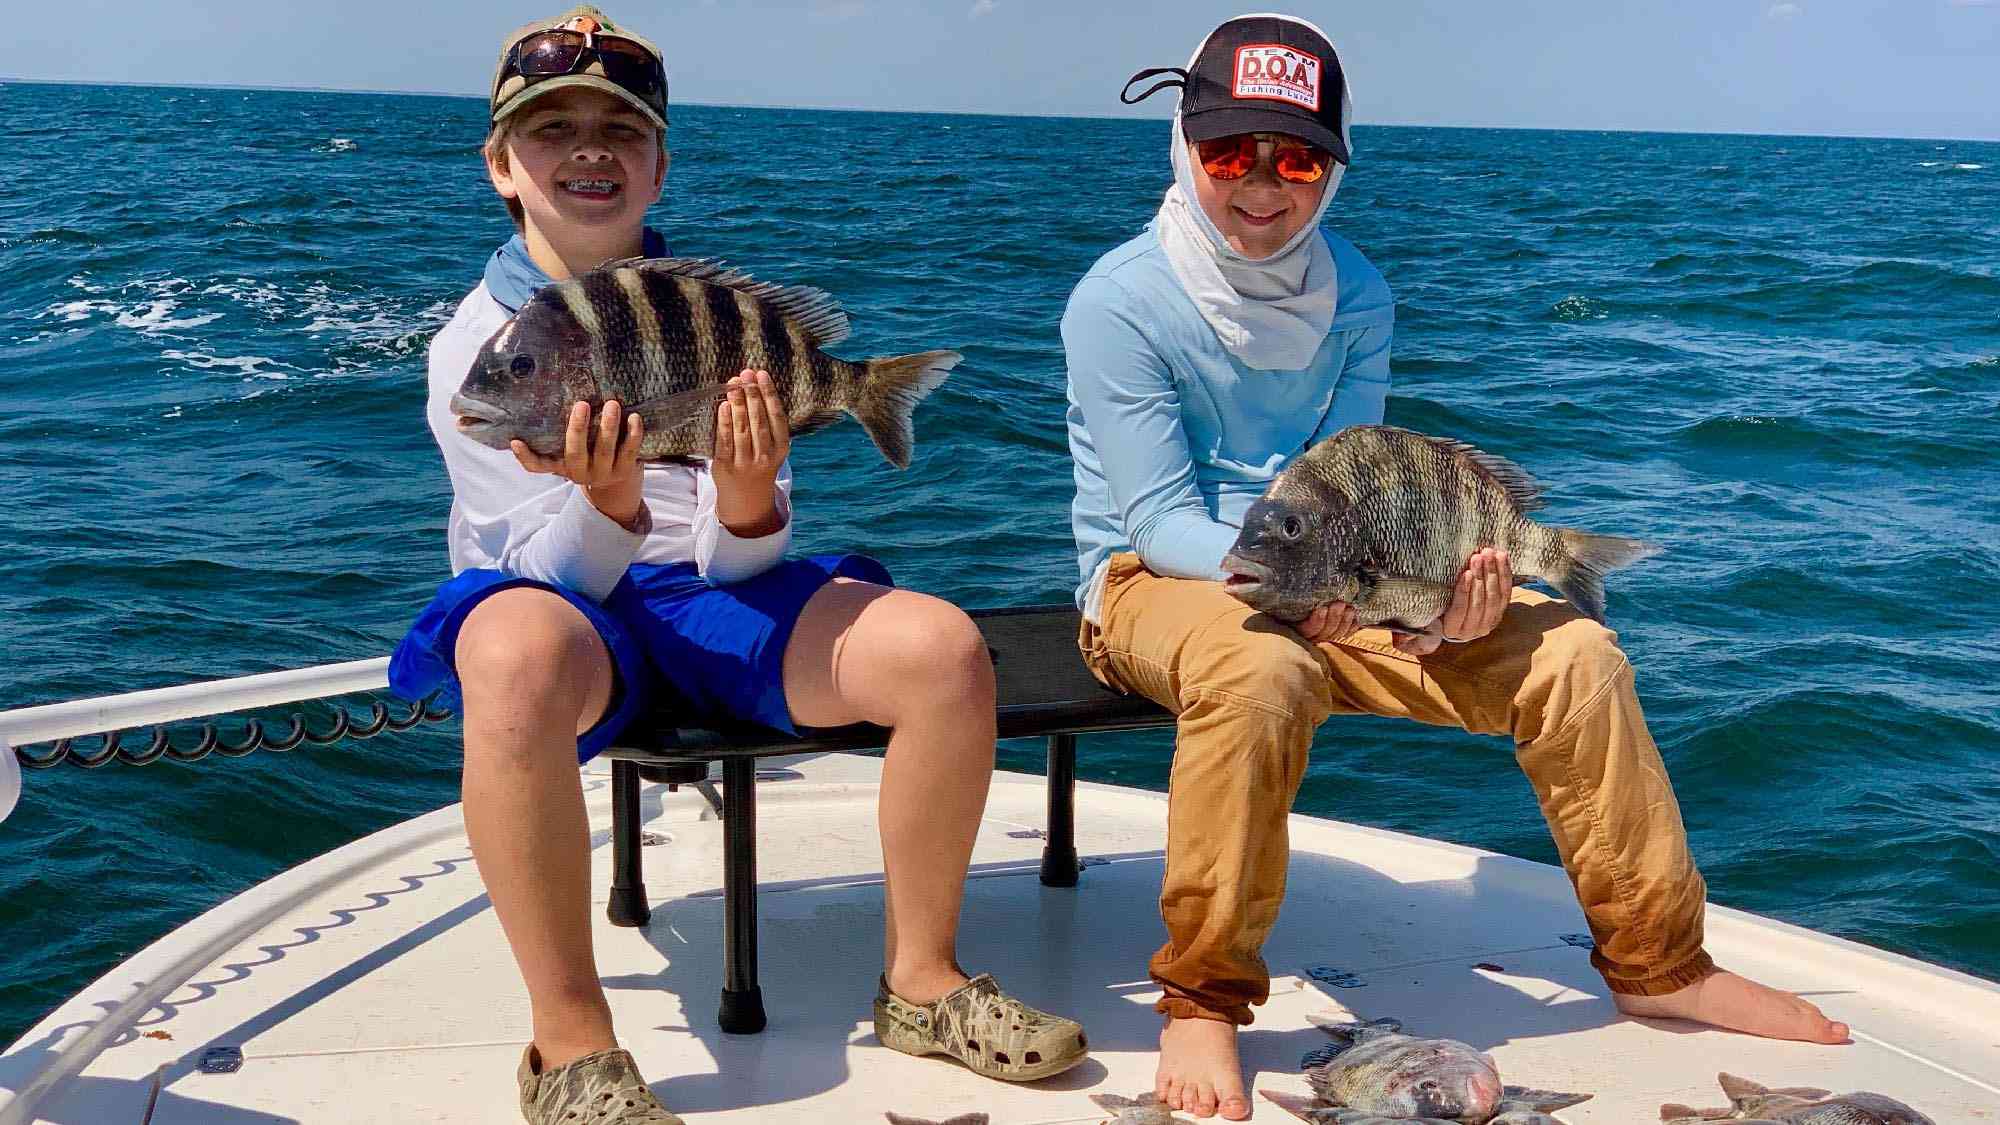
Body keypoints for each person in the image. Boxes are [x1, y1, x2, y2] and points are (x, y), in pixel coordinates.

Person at [1063, 14, 1847, 1121]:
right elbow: (1152, 517)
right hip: (1156, 585)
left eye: (1293, 159)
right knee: (1263, 676)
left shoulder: (1359, 295)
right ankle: (1202, 995)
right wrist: (1304, 587)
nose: (1259, 185)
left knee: (1573, 654)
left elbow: (1357, 481)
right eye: (1227, 152)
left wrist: (1444, 605)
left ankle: (1660, 965)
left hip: (1342, 576)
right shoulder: (1118, 300)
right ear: (1182, 146)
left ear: (1329, 170)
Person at [388, 8, 1086, 1122]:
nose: (587, 151)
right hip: (567, 610)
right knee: (511, 651)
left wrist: (750, 496)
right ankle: (571, 1049)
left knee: (940, 648)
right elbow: (538, 567)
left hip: (715, 596)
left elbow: (737, 558)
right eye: (550, 129)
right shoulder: (478, 347)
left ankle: (920, 981)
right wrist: (610, 504)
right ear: (500, 168)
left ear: (659, 165)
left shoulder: (714, 313)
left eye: (618, 133)